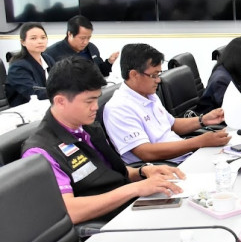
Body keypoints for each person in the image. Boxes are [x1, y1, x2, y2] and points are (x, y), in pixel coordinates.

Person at [21, 57, 184, 224]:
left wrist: (142, 172)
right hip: (109, 223)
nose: (96, 107)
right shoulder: (41, 152)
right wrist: (134, 189)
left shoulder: (88, 128)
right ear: (60, 101)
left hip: (128, 207)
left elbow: (109, 173)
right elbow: (69, 211)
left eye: (96, 99)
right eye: (89, 101)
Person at [103, 43, 230, 164]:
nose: (158, 80)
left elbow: (172, 124)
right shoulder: (119, 108)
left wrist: (203, 120)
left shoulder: (149, 95)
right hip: (165, 167)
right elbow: (146, 152)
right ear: (134, 74)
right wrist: (198, 142)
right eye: (154, 75)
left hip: (184, 155)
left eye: (159, 74)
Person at [45, 15, 120, 77]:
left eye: (88, 38)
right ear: (70, 34)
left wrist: (109, 62)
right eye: (82, 38)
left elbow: (101, 72)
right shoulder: (51, 54)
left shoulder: (92, 48)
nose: (86, 42)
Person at [5, 22, 56, 107]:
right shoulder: (18, 67)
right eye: (33, 38)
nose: (40, 41)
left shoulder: (47, 59)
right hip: (25, 109)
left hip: (48, 105)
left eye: (43, 37)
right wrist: (62, 93)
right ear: (23, 42)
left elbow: (60, 81)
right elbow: (33, 93)